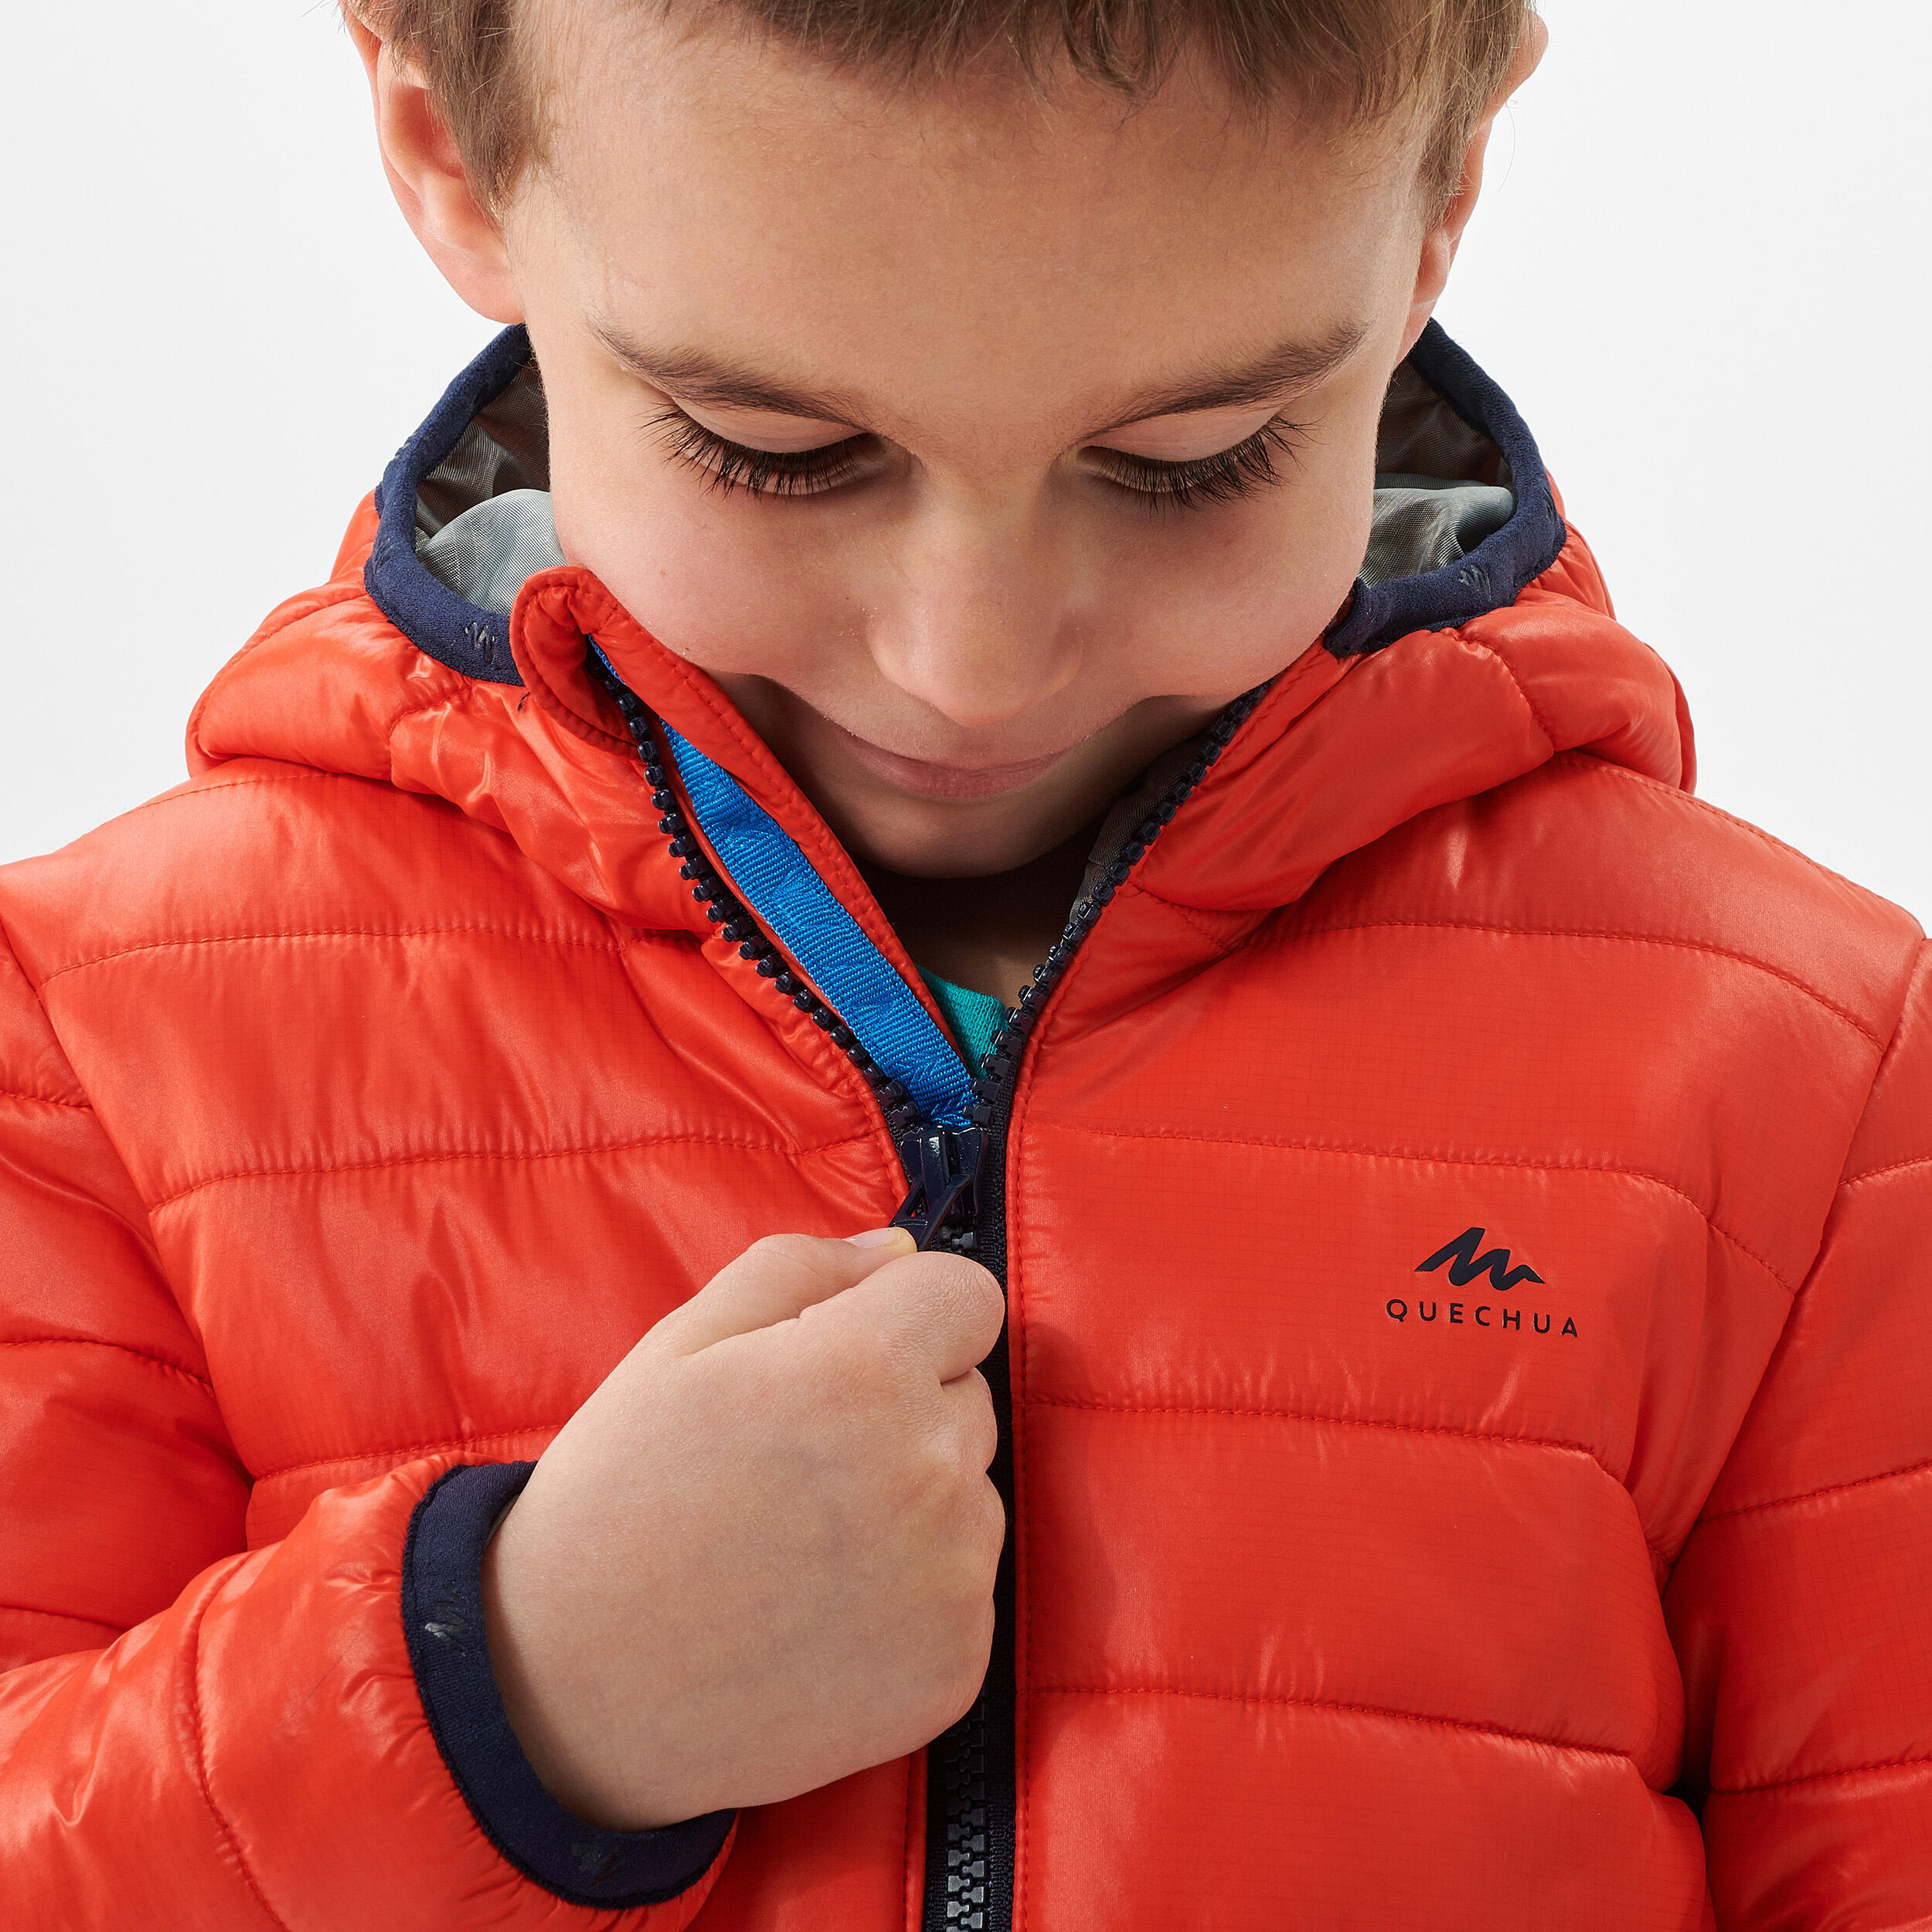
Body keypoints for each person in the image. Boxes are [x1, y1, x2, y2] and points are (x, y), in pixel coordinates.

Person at [1, 0, 1926, 1924]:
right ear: (446, 147)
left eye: (1188, 458)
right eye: (778, 449)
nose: (971, 663)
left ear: (1445, 190)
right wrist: (499, 1701)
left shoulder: (1808, 1086)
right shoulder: (92, 1046)